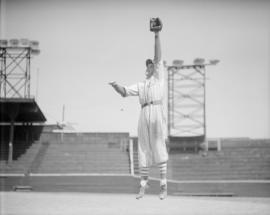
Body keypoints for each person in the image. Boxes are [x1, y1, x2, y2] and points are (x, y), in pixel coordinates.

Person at [109, 18, 168, 200]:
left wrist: (157, 35)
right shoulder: (142, 85)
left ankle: (164, 185)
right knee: (143, 147)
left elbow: (158, 56)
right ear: (146, 69)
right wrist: (115, 85)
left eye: (151, 64)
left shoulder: (159, 78)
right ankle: (143, 184)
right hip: (144, 113)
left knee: (158, 145)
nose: (150, 65)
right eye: (148, 65)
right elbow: (124, 92)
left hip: (156, 111)